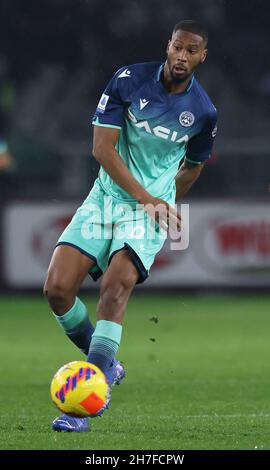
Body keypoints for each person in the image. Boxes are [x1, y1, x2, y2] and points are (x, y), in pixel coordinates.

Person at [44, 19, 217, 432]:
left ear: (201, 56)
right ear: (168, 45)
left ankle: (86, 401)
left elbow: (193, 168)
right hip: (105, 198)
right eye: (177, 47)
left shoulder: (204, 112)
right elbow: (101, 149)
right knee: (56, 290)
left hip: (148, 212)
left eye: (191, 51)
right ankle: (108, 364)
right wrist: (147, 195)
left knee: (115, 285)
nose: (181, 56)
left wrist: (164, 202)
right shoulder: (129, 80)